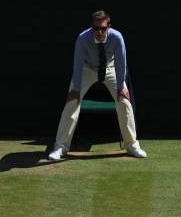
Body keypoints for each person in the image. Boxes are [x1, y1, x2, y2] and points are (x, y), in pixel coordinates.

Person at [48, 10, 147, 160]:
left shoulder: (117, 37)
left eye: (103, 28)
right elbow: (77, 64)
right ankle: (60, 147)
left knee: (124, 101)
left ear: (109, 26)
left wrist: (121, 86)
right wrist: (75, 89)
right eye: (96, 28)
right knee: (72, 102)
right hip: (87, 69)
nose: (99, 32)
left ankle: (132, 145)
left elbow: (121, 63)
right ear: (91, 27)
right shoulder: (82, 38)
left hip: (110, 68)